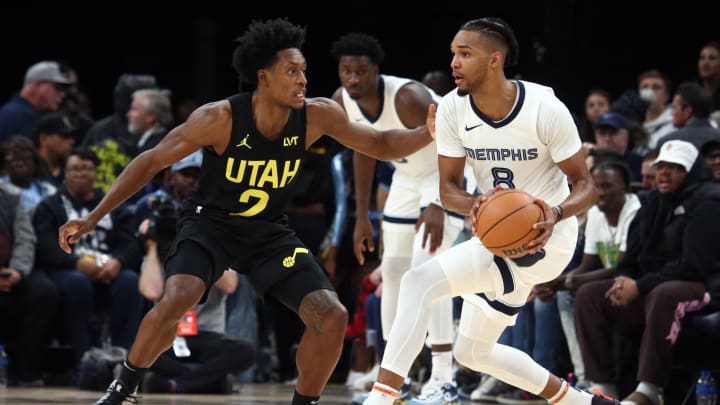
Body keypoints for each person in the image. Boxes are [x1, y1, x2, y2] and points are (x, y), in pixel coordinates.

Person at [57, 18, 434, 405]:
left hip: (268, 232)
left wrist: (429, 130)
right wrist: (92, 217)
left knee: (332, 315)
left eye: (304, 70)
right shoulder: (219, 118)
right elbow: (150, 161)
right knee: (177, 297)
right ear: (264, 77)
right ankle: (125, 387)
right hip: (211, 225)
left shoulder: (318, 115)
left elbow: (383, 144)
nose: (303, 79)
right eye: (292, 71)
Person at [361, 17, 619, 405]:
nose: (454, 63)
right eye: (453, 54)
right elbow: (448, 189)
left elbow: (587, 185)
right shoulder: (450, 109)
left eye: (465, 54)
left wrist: (555, 213)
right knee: (474, 352)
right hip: (497, 232)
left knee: (419, 282)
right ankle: (584, 402)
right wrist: (475, 204)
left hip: (548, 238)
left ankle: (380, 399)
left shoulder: (544, 108)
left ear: (495, 60)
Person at [330, 32, 464, 403]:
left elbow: (452, 141)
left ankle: (443, 379)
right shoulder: (342, 101)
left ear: (376, 70)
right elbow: (363, 150)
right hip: (407, 177)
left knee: (427, 273)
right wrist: (361, 217)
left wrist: (439, 201)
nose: (353, 79)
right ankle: (395, 378)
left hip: (447, 174)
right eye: (346, 71)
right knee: (392, 273)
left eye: (360, 71)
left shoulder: (407, 97)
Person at [575, 140, 720, 404]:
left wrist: (639, 286)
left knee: (665, 294)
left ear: (690, 171)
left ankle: (650, 390)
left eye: (675, 167)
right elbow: (634, 255)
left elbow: (693, 266)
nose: (664, 173)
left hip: (706, 286)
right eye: (661, 166)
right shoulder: (651, 203)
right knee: (590, 295)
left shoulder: (708, 201)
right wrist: (624, 280)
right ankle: (603, 385)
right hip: (654, 285)